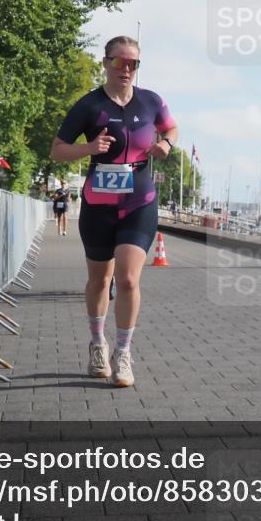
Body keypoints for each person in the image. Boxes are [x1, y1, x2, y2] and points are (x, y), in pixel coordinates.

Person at [49, 35, 178, 387]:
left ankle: (122, 353)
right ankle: (97, 344)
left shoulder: (151, 101)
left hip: (139, 200)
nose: (126, 69)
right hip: (99, 205)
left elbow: (171, 127)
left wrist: (166, 142)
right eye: (119, 62)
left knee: (128, 279)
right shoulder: (89, 105)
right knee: (99, 281)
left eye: (133, 63)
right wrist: (90, 147)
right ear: (105, 63)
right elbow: (57, 150)